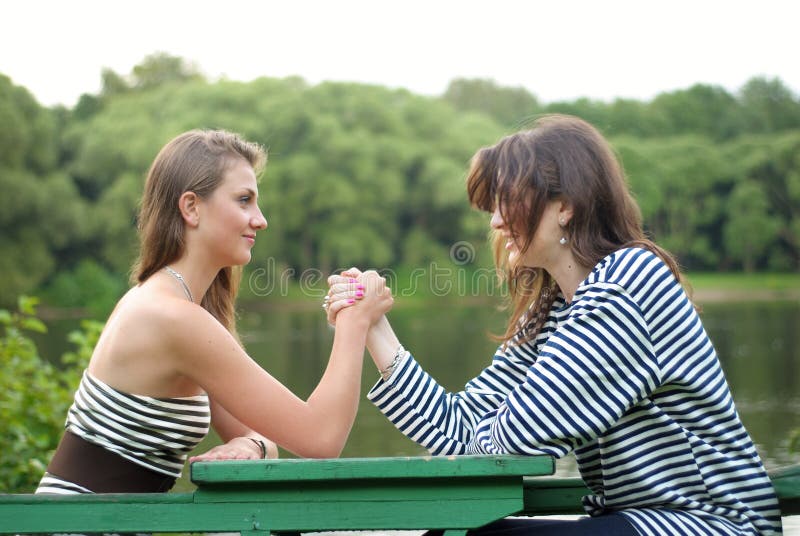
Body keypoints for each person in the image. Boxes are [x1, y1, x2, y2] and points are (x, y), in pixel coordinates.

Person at [326, 115, 782, 535]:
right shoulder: (552, 313)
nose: (496, 220)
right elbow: (462, 428)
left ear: (565, 206)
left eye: (508, 201)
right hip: (638, 522)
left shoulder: (627, 285)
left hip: (710, 524)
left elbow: (508, 441)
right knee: (457, 532)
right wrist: (372, 327)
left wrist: (478, 441)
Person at [37, 129, 392, 495]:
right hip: (74, 520)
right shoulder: (172, 318)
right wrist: (354, 320)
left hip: (100, 519)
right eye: (244, 200)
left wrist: (250, 445)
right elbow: (321, 438)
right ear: (191, 207)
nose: (260, 220)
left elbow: (260, 435)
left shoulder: (174, 306)